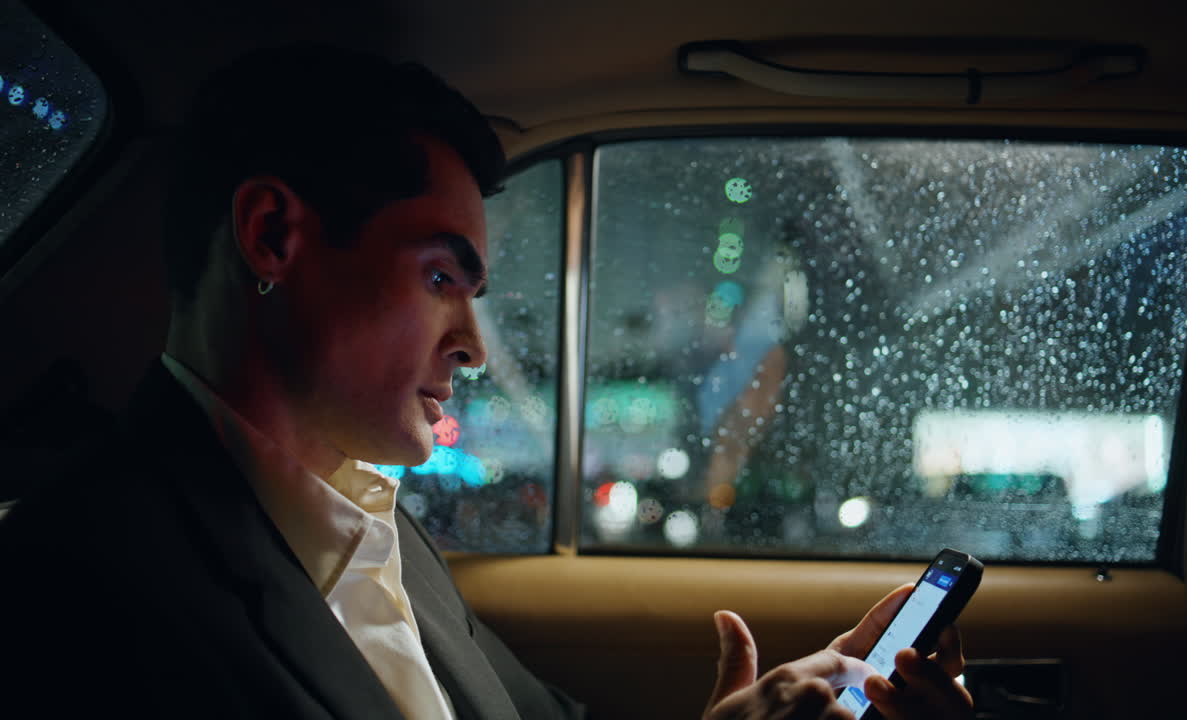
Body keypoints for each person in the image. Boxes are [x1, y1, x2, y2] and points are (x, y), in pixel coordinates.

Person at [0, 45, 972, 720]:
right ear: (271, 237)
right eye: (438, 279)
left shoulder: (373, 523)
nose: (469, 343)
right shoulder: (74, 589)